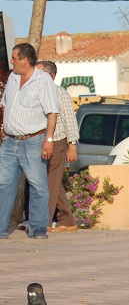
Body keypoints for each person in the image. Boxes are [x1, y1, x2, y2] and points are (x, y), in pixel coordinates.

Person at [0, 43, 59, 240]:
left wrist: (48, 139)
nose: (11, 61)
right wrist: (4, 127)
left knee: (38, 185)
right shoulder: (12, 78)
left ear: (25, 60)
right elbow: (5, 104)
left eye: (14, 58)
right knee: (3, 184)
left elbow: (52, 111)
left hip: (33, 141)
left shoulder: (43, 80)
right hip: (9, 142)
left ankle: (38, 227)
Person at [36, 60, 79, 234]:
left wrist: (72, 145)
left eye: (40, 72)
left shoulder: (60, 93)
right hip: (40, 141)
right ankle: (67, 220)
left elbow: (70, 119)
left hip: (58, 140)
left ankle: (43, 222)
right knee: (52, 182)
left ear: (51, 75)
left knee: (50, 181)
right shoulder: (36, 92)